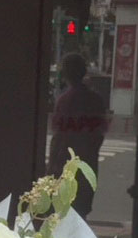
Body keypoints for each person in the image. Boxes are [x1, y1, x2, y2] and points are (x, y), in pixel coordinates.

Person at [47, 52, 109, 219]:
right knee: (80, 214)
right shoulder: (96, 100)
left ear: (65, 73)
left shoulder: (64, 101)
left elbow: (58, 137)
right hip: (87, 163)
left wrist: (51, 168)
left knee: (60, 213)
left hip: (64, 165)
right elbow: (100, 133)